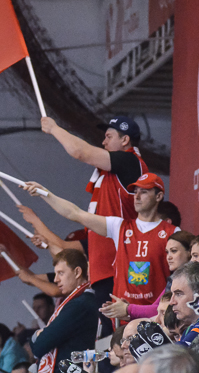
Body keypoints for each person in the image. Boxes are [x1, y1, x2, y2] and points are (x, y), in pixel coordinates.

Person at [40, 114, 148, 334]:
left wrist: (54, 128)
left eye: (108, 136)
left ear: (125, 140)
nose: (103, 142)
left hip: (120, 265)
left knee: (125, 336)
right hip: (104, 268)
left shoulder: (129, 162)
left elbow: (81, 152)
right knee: (110, 338)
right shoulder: (109, 174)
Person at [23, 173, 177, 312]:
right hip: (122, 314)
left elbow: (179, 276)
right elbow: (75, 213)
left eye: (144, 192)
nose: (136, 196)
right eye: (135, 191)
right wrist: (46, 194)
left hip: (156, 314)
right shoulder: (119, 226)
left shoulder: (173, 232)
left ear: (158, 196)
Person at [29, 249, 97, 373]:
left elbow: (40, 345)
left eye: (61, 273)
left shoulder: (79, 305)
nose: (55, 279)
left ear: (77, 272)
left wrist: (36, 336)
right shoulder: (74, 303)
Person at [102, 230, 194, 321]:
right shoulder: (174, 278)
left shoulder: (189, 279)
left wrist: (128, 309)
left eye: (174, 251)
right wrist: (127, 314)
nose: (169, 257)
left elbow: (158, 310)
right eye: (167, 252)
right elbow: (157, 308)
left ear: (189, 252)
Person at [166, 261, 199, 347]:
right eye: (172, 294)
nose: (171, 302)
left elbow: (178, 352)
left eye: (178, 294)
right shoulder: (190, 328)